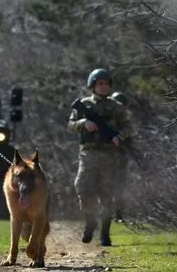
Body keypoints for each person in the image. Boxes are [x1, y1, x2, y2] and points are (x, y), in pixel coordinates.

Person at [67, 68, 130, 247]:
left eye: (106, 84)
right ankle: (90, 220)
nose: (103, 87)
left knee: (107, 195)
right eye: (99, 84)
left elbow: (127, 126)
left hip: (109, 155)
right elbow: (70, 125)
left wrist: (120, 136)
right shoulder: (85, 104)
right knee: (83, 187)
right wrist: (83, 123)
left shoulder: (116, 107)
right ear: (93, 86)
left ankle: (105, 234)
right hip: (88, 153)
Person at [110, 91, 131, 223]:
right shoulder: (107, 119)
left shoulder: (125, 121)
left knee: (119, 187)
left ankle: (118, 214)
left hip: (120, 157)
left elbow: (127, 134)